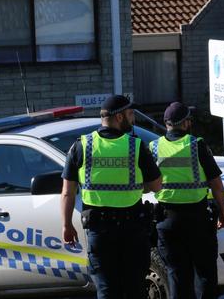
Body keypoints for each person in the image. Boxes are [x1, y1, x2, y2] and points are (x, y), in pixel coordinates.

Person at [60, 95, 162, 299]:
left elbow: (67, 192)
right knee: (135, 290)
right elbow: (156, 185)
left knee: (107, 291)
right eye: (131, 114)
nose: (133, 119)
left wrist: (66, 225)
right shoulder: (135, 146)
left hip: (100, 231)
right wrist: (136, 188)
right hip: (132, 230)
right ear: (119, 117)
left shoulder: (81, 146)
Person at [152, 102, 224, 299]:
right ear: (185, 123)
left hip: (167, 221)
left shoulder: (154, 147)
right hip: (197, 220)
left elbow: (146, 184)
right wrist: (223, 210)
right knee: (205, 275)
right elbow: (216, 184)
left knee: (176, 275)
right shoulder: (196, 145)